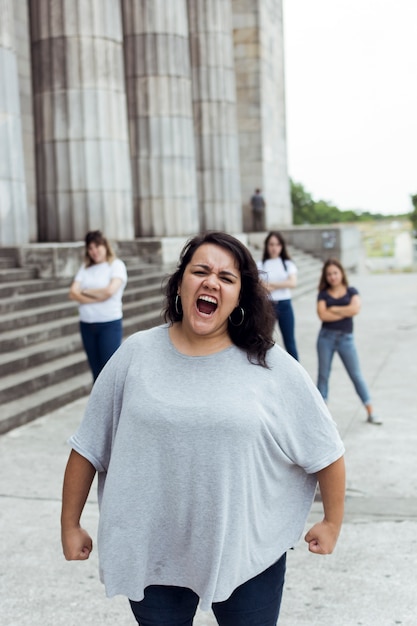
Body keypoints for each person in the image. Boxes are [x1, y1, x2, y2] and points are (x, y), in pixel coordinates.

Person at [61, 231, 345, 626]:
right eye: (201, 271)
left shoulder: (271, 366)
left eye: (227, 278)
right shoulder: (135, 355)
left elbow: (326, 447)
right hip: (153, 553)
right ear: (180, 284)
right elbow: (88, 445)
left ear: (240, 296)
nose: (212, 282)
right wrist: (70, 523)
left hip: (246, 551)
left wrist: (332, 521)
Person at [316, 258, 382, 425]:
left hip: (346, 339)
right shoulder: (323, 294)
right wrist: (345, 311)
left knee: (356, 375)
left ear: (341, 273)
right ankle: (322, 416)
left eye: (335, 273)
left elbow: (355, 309)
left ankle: (370, 410)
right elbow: (323, 315)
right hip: (326, 338)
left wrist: (335, 308)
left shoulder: (352, 291)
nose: (332, 277)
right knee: (323, 376)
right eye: (329, 274)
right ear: (326, 276)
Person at [69, 230, 128, 382]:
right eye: (90, 248)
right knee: (96, 373)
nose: (94, 251)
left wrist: (85, 291)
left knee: (109, 371)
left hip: (108, 324)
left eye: (97, 246)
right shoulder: (85, 268)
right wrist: (97, 297)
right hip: (87, 325)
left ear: (105, 246)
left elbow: (110, 291)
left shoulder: (116, 265)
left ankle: (114, 405)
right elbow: (72, 293)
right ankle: (99, 406)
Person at [257, 231, 299, 360]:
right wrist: (281, 284)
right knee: (265, 340)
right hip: (268, 305)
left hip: (285, 304)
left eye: (277, 244)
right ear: (267, 246)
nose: (274, 248)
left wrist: (272, 285)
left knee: (289, 341)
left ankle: (297, 373)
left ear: (282, 246)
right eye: (271, 244)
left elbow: (292, 283)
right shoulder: (260, 264)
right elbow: (260, 286)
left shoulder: (287, 264)